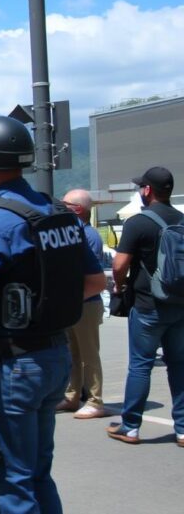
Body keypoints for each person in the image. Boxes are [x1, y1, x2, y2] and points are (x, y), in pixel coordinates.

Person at [0, 115, 105, 513]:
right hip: (53, 355)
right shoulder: (55, 210)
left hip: (10, 365)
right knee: (38, 473)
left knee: (12, 481)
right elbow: (95, 281)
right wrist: (37, 306)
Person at [110, 166, 184, 445]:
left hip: (147, 305)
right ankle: (183, 429)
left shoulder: (138, 223)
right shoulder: (182, 220)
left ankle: (130, 427)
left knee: (141, 366)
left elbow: (119, 265)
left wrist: (119, 286)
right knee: (179, 365)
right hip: (179, 304)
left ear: (148, 190)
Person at [55, 189, 108, 419]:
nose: (60, 205)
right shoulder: (73, 232)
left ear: (77, 209)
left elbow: (86, 271)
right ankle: (72, 395)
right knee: (72, 354)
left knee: (88, 354)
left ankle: (95, 400)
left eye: (64, 203)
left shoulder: (88, 235)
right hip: (74, 302)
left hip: (87, 302)